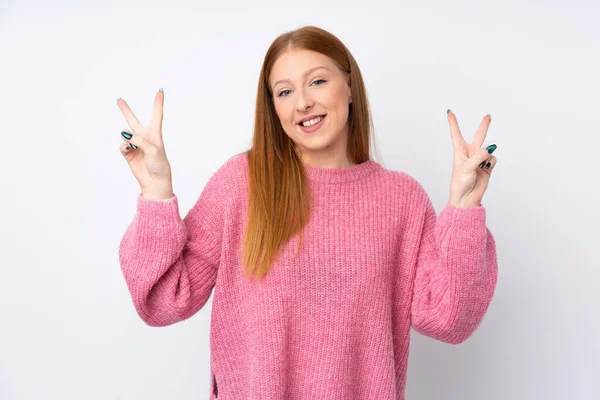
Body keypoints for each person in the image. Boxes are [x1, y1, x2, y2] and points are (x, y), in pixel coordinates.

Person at [117, 25, 498, 400]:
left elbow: (449, 319)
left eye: (316, 82)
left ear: (349, 87)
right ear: (274, 108)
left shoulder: (402, 200)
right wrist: (156, 192)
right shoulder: (242, 183)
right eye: (284, 91)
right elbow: (164, 300)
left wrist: (464, 209)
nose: (302, 102)